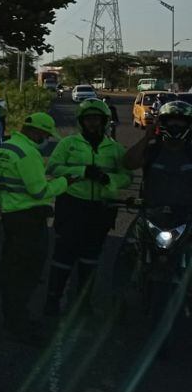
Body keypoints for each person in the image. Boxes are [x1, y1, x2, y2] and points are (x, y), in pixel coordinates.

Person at [0, 112, 73, 345]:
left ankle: (12, 318)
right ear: (35, 132)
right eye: (45, 135)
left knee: (10, 270)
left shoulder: (3, 149)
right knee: (27, 273)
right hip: (30, 221)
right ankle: (20, 325)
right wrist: (66, 182)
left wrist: (6, 205)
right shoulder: (28, 154)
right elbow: (40, 192)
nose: (45, 139)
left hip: (11, 218)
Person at [44, 99, 130, 318]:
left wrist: (107, 178)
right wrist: (82, 171)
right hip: (72, 207)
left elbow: (127, 177)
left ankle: (83, 304)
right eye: (89, 119)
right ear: (82, 122)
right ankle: (52, 302)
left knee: (90, 258)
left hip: (100, 210)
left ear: (104, 122)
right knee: (63, 256)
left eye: (97, 119)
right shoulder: (68, 144)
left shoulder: (115, 148)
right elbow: (53, 167)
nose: (93, 124)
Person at [123, 100, 192, 209]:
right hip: (152, 214)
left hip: (187, 216)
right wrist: (146, 138)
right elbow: (129, 163)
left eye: (180, 122)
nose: (175, 126)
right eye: (171, 122)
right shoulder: (152, 151)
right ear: (161, 124)